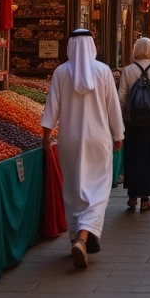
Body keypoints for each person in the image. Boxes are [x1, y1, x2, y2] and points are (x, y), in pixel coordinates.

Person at [41, 29, 123, 269]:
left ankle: (79, 236)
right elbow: (113, 107)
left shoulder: (61, 72)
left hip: (70, 141)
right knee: (97, 190)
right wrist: (119, 134)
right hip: (98, 140)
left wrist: (46, 137)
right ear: (92, 46)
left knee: (74, 189)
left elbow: (51, 108)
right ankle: (84, 236)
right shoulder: (103, 71)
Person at [118, 37, 150, 212]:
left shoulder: (127, 70)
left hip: (132, 123)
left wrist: (121, 119)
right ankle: (146, 199)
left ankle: (132, 195)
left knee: (133, 158)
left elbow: (121, 98)